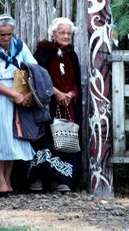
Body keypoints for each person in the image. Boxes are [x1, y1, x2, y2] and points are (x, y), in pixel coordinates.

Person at [0, 14, 36, 196]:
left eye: (9, 34)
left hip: (18, 94)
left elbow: (33, 68)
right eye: (2, 34)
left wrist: (27, 93)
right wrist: (14, 95)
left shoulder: (20, 47)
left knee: (13, 138)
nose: (6, 38)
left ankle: (8, 177)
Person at [29, 17, 82, 193]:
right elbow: (38, 79)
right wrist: (56, 93)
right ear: (54, 33)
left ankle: (60, 181)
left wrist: (71, 94)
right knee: (45, 140)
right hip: (47, 106)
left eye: (69, 33)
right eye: (62, 32)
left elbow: (76, 81)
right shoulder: (43, 52)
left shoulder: (71, 55)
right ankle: (39, 179)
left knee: (65, 141)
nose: (66, 36)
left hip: (67, 107)